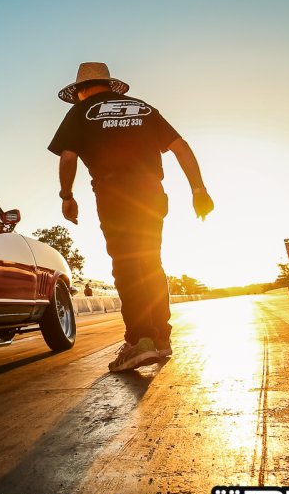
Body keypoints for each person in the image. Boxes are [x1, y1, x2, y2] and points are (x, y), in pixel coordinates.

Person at [48, 62, 213, 372]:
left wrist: (67, 196)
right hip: (152, 194)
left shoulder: (79, 112)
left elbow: (68, 156)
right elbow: (180, 147)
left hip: (114, 194)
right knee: (151, 261)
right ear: (109, 85)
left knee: (126, 263)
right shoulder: (144, 109)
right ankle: (161, 339)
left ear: (81, 90)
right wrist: (198, 190)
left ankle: (140, 341)